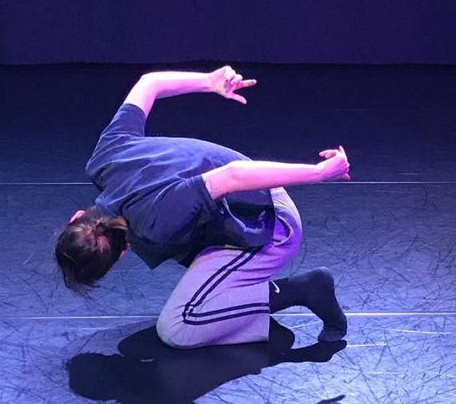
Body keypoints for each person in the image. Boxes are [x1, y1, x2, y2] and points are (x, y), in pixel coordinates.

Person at [55, 67, 350, 348]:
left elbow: (232, 175)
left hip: (271, 225)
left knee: (179, 327)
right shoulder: (103, 159)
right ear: (76, 217)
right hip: (247, 207)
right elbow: (149, 83)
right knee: (162, 248)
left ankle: (304, 290)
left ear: (119, 255)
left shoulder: (153, 224)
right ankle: (237, 291)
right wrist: (208, 81)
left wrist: (319, 173)